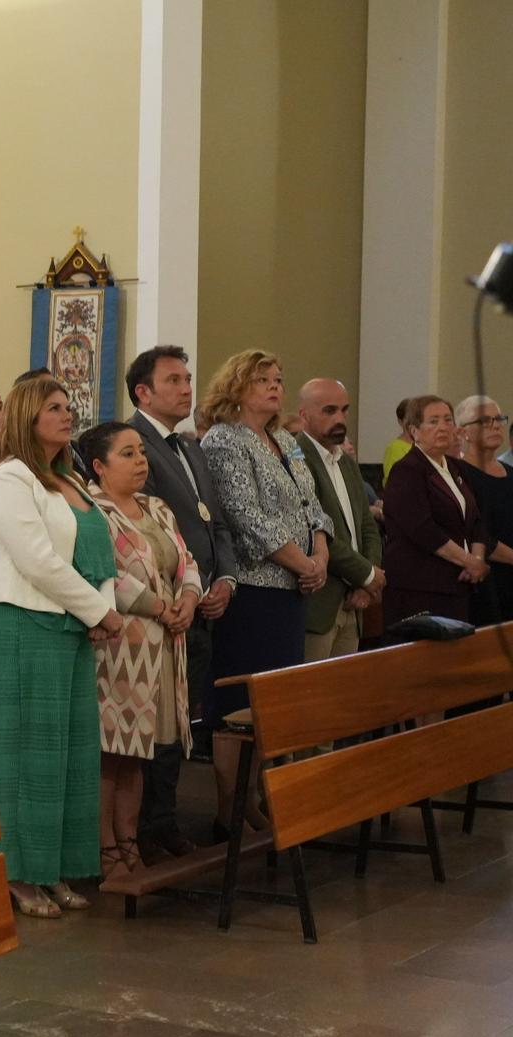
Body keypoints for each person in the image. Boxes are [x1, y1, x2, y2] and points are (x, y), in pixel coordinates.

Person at [0, 375, 123, 918]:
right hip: (21, 619)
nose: (68, 415)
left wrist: (100, 609)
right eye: (54, 408)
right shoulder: (12, 477)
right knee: (25, 755)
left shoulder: (71, 478)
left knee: (68, 752)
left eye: (69, 407)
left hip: (70, 623)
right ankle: (17, 873)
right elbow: (36, 559)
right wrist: (98, 611)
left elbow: (97, 551)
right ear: (27, 416)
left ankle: (55, 867)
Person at [198, 350, 332, 834]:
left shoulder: (283, 439)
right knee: (239, 705)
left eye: (278, 379)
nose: (275, 387)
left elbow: (312, 503)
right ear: (236, 385)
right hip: (254, 592)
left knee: (271, 705)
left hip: (292, 589)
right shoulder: (224, 440)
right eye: (263, 380)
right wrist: (304, 563)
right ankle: (228, 809)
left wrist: (319, 556)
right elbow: (246, 518)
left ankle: (254, 798)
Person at [124, 345, 237, 860]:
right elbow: (141, 530)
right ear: (143, 391)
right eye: (174, 379)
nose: (187, 388)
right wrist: (183, 590)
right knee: (157, 722)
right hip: (161, 607)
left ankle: (164, 820)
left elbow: (214, 523)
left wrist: (224, 579)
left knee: (183, 722)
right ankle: (146, 827)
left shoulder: (190, 446)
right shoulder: (132, 444)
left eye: (189, 378)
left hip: (203, 600)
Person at [81, 422, 199, 885]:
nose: (140, 461)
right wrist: (157, 606)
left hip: (166, 641)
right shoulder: (92, 510)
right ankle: (104, 848)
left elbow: (185, 561)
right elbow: (103, 572)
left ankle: (129, 842)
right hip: (121, 644)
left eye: (141, 452)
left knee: (139, 752)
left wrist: (187, 599)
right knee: (111, 751)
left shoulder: (158, 507)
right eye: (126, 454)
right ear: (98, 466)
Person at [382, 394, 491, 625]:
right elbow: (423, 530)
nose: (443, 427)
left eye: (448, 420)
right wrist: (468, 561)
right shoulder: (407, 470)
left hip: (458, 583)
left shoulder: (455, 468)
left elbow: (476, 522)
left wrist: (476, 558)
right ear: (414, 431)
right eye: (433, 421)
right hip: (420, 588)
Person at [296, 378, 385, 658]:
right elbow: (316, 531)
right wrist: (367, 574)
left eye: (344, 410)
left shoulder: (346, 462)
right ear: (304, 415)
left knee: (345, 695)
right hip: (319, 603)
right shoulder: (296, 459)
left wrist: (365, 581)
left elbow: (367, 526)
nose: (340, 419)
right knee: (312, 694)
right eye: (329, 410)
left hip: (354, 602)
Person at [453, 394, 513, 623]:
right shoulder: (459, 474)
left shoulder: (510, 472)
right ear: (462, 432)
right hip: (485, 582)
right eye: (484, 420)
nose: (495, 425)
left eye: (499, 419)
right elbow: (472, 531)